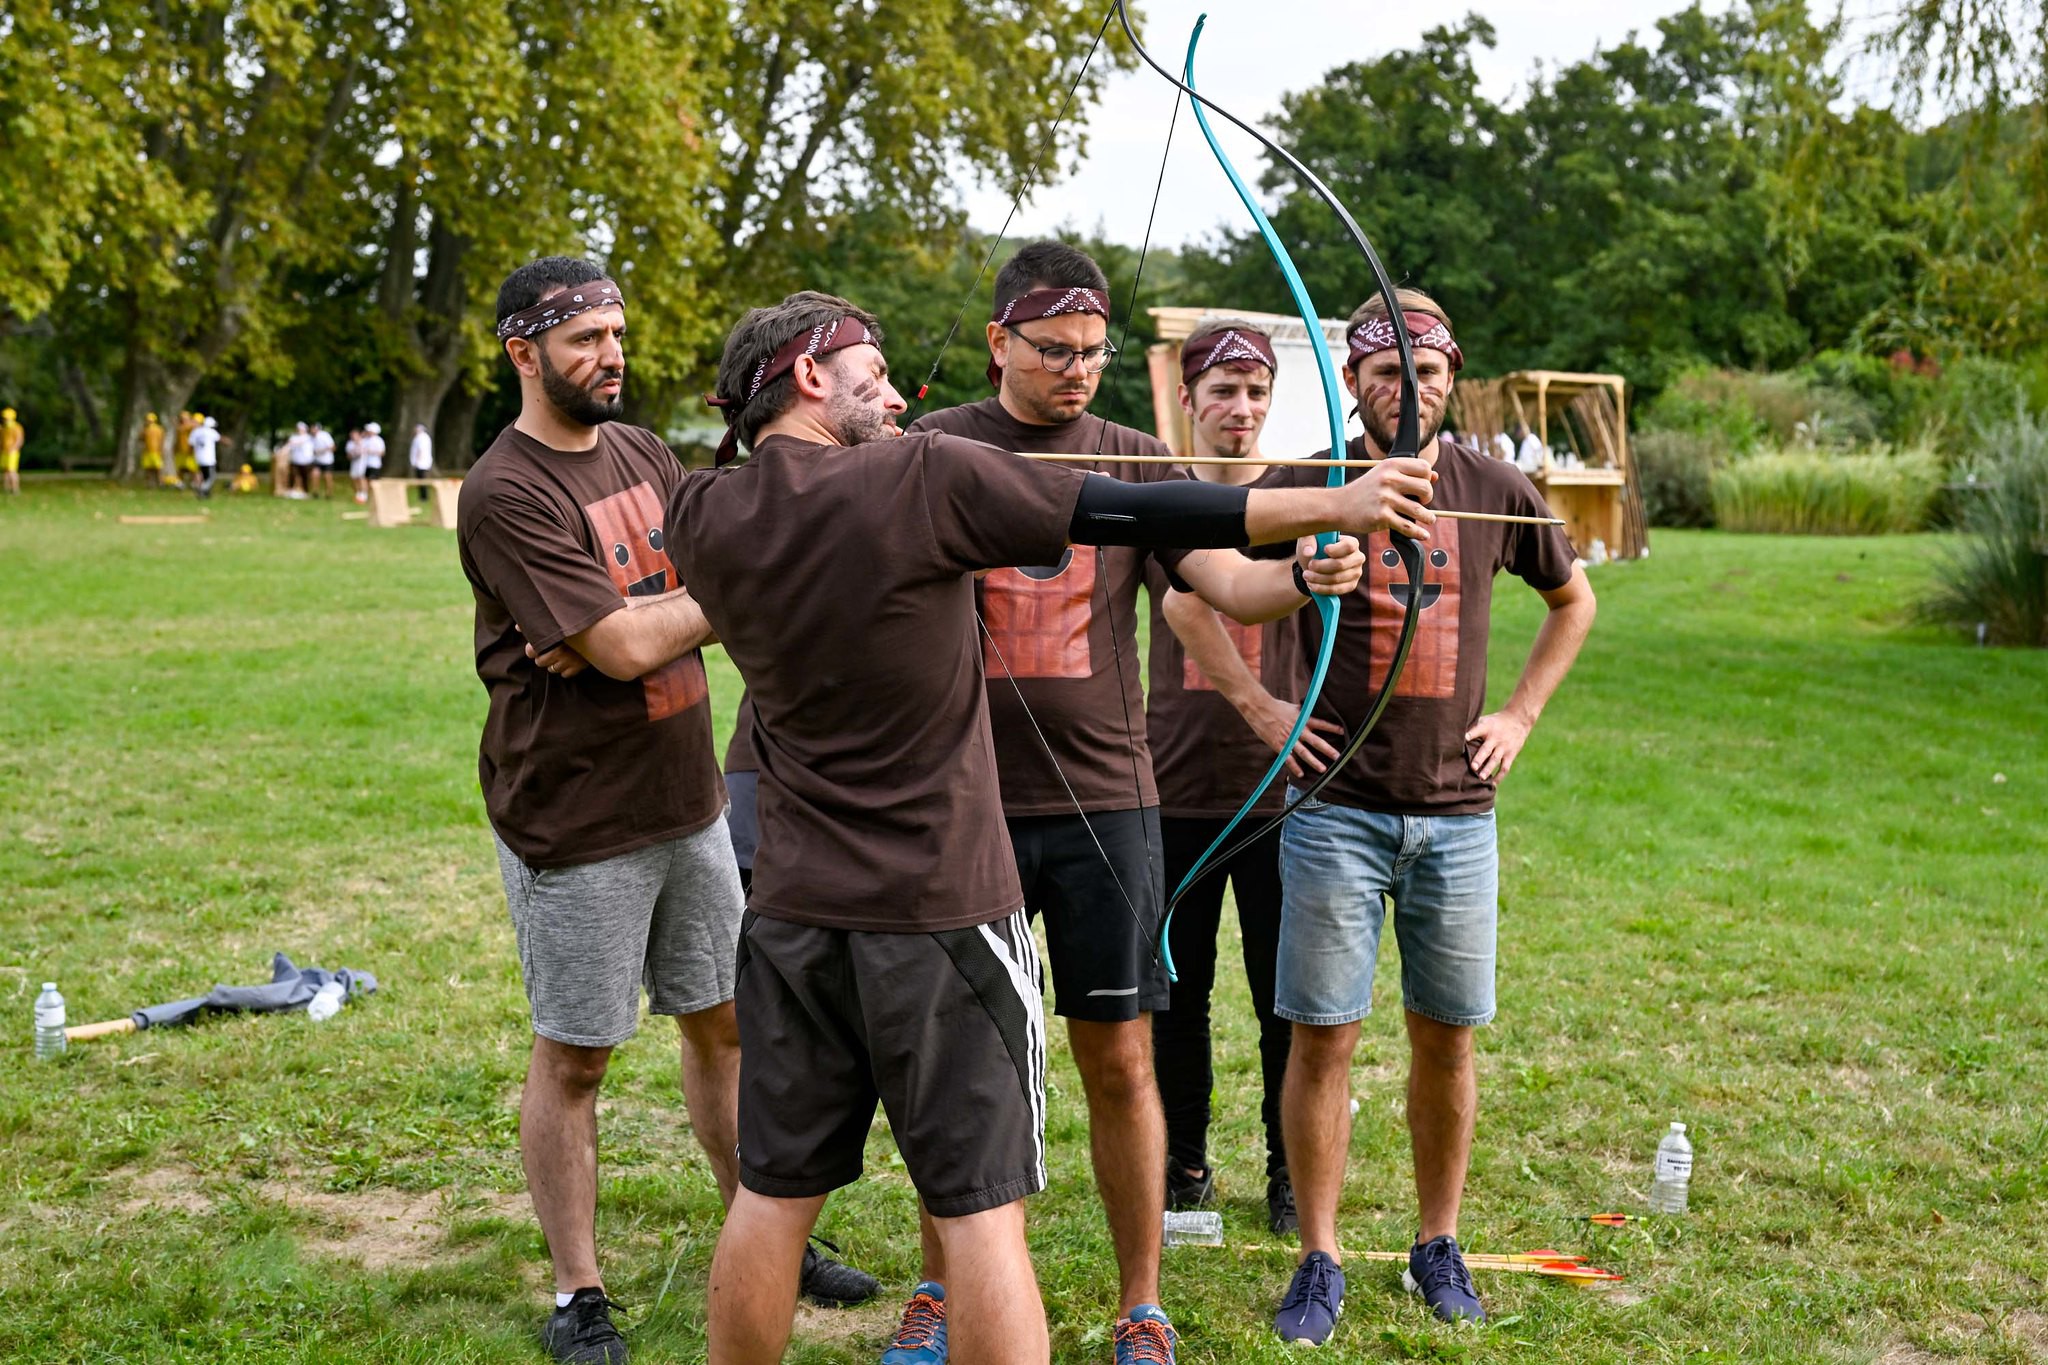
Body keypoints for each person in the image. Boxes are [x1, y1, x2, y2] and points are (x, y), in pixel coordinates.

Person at [676, 288, 1427, 1365]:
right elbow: (1121, 514)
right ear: (806, 376)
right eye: (873, 374)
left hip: (794, 905)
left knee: (772, 1191)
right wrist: (1329, 506)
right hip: (939, 907)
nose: (894, 397)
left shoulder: (702, 515)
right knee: (981, 1209)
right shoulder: (919, 475)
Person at [906, 240, 1385, 1364]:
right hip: (961, 798)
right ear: (997, 343)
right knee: (957, 1064)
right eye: (1053, 351)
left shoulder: (1130, 459)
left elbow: (1225, 582)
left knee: (1118, 1055)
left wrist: (1310, 567)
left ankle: (1141, 1302)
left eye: (1093, 351)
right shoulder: (931, 452)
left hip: (1104, 806)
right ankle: (940, 1287)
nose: (1077, 370)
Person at [457, 257, 869, 1365]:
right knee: (578, 1055)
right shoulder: (507, 491)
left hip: (685, 800)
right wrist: (661, 613)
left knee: (721, 1024)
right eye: (583, 339)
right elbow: (631, 641)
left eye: (615, 333)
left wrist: (636, 617)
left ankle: (764, 1231)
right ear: (522, 352)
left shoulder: (639, 451)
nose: (609, 356)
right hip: (573, 821)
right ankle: (576, 1292)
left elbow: (667, 600)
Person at [1237, 289, 1596, 1344]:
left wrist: (1521, 713)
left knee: (1447, 1040)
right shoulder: (1308, 481)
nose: (1408, 389)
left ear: (1451, 380)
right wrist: (1262, 706)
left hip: (1455, 816)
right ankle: (1318, 1256)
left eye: (1427, 371)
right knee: (1322, 1039)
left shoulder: (1492, 488)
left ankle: (1437, 1244)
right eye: (1386, 371)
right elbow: (1187, 594)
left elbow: (1572, 600)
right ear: (1353, 380)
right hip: (1335, 812)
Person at [1145, 320, 1317, 1239]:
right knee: (1180, 991)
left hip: (1283, 792)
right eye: (1222, 392)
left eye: (1255, 393)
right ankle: (1184, 1164)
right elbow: (1178, 602)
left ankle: (1290, 1172)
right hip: (1174, 785)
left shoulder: (1305, 496)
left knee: (1286, 994)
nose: (1240, 409)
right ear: (1188, 400)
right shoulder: (1158, 501)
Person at [187, 414, 222, 498]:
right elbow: (220, 439)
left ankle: (206, 494)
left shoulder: (196, 431)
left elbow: (190, 444)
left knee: (203, 476)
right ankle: (202, 489)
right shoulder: (211, 432)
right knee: (211, 477)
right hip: (209, 459)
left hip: (198, 458)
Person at [285, 421, 316, 496]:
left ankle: (306, 491)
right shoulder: (294, 437)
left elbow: (298, 442)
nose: (299, 430)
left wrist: (292, 443)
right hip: (295, 460)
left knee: (304, 477)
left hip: (306, 461)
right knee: (292, 475)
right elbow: (289, 445)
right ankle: (291, 490)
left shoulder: (308, 437)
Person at [410, 422, 435, 501]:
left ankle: (424, 496)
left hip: (421, 462)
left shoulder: (422, 437)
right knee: (420, 479)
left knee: (422, 480)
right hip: (421, 462)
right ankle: (422, 496)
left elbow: (421, 450)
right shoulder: (420, 437)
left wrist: (417, 460)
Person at [139, 412, 166, 484]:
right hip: (148, 452)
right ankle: (151, 483)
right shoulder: (146, 429)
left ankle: (159, 483)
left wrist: (161, 450)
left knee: (157, 469)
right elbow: (141, 439)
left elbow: (161, 440)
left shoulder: (158, 429)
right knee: (149, 469)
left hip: (155, 451)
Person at [311, 423, 336, 497]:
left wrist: (321, 451)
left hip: (327, 461)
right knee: (315, 474)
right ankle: (315, 492)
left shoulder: (325, 435)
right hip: (317, 460)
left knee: (327, 477)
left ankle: (329, 493)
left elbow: (333, 447)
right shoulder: (311, 437)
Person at [1, 407, 22, 495]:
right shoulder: (4, 429)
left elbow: (19, 440)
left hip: (12, 452)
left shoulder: (16, 427)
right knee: (6, 470)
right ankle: (6, 489)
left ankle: (15, 489)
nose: (4, 419)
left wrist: (13, 448)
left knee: (12, 471)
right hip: (4, 451)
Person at [346, 428, 369, 503]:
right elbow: (349, 455)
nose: (353, 436)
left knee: (361, 477)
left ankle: (364, 494)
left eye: (355, 435)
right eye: (352, 435)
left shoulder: (364, 442)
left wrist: (358, 443)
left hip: (361, 462)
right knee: (354, 478)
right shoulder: (349, 443)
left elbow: (365, 451)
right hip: (354, 462)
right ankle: (358, 493)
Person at [173, 411, 197, 487]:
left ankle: (194, 483)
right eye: (182, 419)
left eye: (185, 419)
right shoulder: (180, 428)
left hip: (189, 451)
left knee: (192, 469)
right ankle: (181, 483)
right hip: (180, 451)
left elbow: (194, 426)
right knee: (180, 468)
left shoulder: (190, 426)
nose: (183, 420)